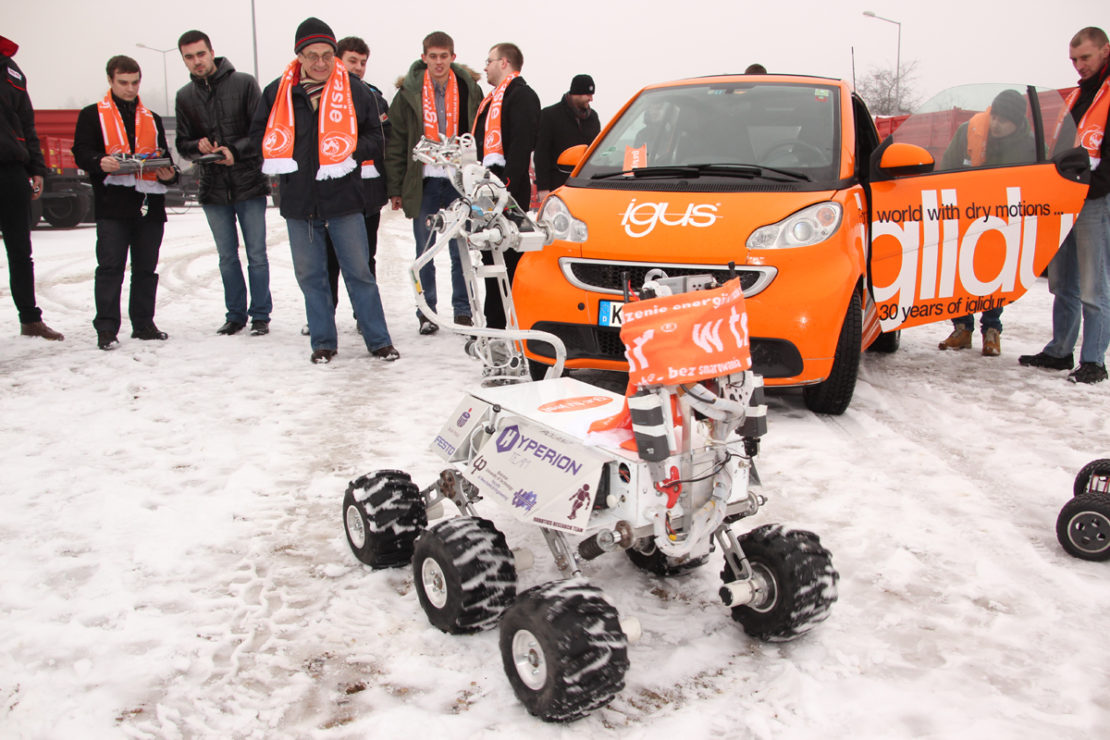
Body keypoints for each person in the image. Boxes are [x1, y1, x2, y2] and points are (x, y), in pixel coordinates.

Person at [249, 17, 398, 364]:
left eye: (327, 55)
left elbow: (377, 138)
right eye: (312, 55)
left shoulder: (356, 91)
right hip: (299, 202)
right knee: (311, 276)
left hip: (345, 199)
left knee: (360, 273)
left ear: (335, 55)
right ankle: (323, 343)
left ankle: (379, 341)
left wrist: (347, 152)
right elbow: (259, 135)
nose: (320, 63)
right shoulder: (277, 92)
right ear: (299, 56)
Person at [1019, 26, 1110, 384]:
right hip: (1064, 199)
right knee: (1062, 282)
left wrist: (1090, 189)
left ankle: (1094, 361)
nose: (1078, 65)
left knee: (1093, 285)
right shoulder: (1077, 96)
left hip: (1094, 201)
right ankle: (1060, 351)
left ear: (1105, 50)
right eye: (1073, 59)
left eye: (1085, 57)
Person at [72, 55, 178, 350]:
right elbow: (80, 151)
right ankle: (106, 328)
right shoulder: (92, 115)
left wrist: (169, 174)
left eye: (135, 82)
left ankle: (144, 323)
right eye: (123, 83)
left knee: (146, 268)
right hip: (112, 204)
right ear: (110, 80)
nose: (130, 89)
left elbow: (164, 159)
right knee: (110, 268)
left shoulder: (152, 118)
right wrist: (98, 161)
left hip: (149, 203)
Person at [175, 29, 272, 338]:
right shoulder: (184, 96)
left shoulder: (243, 83)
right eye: (189, 57)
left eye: (200, 54)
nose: (196, 61)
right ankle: (235, 315)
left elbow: (262, 132)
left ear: (211, 51)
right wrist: (197, 145)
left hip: (249, 183)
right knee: (227, 256)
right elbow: (181, 143)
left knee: (256, 254)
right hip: (213, 188)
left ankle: (260, 315)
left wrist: (235, 151)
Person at [384, 31, 482, 335]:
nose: (439, 62)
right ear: (424, 57)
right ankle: (426, 312)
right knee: (424, 250)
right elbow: (397, 143)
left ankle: (463, 310)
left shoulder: (469, 89)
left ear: (453, 57)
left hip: (458, 182)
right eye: (433, 56)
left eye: (444, 56)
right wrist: (396, 188)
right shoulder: (407, 94)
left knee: (460, 249)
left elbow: (478, 133)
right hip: (424, 181)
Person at [937, 89, 1034, 356]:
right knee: (960, 274)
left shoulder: (1030, 146)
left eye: (1005, 120)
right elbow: (946, 169)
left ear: (1017, 122)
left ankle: (992, 330)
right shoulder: (969, 132)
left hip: (1005, 223)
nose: (997, 124)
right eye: (995, 116)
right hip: (966, 218)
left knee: (995, 275)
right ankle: (962, 328)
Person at [314, 35, 392, 330]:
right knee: (327, 260)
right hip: (329, 192)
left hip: (366, 192)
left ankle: (365, 316)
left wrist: (348, 147)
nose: (358, 68)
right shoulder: (318, 96)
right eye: (352, 61)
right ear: (337, 60)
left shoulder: (372, 96)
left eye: (362, 63)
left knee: (364, 259)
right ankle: (326, 315)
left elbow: (384, 139)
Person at [0, 34, 63, 341]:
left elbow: (26, 123)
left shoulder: (12, 70)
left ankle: (30, 320)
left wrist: (36, 168)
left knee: (20, 251)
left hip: (11, 171)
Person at [473, 42, 540, 329]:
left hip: (506, 192)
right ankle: (493, 324)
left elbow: (521, 146)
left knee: (508, 260)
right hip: (485, 191)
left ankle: (509, 325)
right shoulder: (491, 100)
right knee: (488, 255)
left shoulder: (521, 95)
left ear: (503, 62)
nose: (484, 67)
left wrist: (504, 192)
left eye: (488, 61)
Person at [535, 73, 600, 201]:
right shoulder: (550, 115)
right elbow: (541, 153)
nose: (591, 99)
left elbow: (596, 152)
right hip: (558, 186)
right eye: (587, 94)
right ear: (576, 93)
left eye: (592, 95)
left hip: (585, 186)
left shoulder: (593, 118)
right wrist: (543, 188)